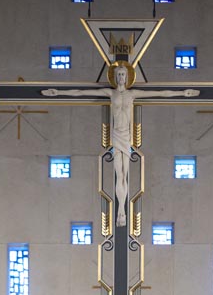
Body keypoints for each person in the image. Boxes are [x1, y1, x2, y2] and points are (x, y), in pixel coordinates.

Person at [42, 64, 200, 226]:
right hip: (116, 136)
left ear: (128, 77)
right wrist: (58, 92)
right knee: (120, 175)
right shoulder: (110, 93)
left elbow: (160, 93)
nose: (121, 78)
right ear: (115, 77)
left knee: (125, 173)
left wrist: (182, 93)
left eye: (124, 75)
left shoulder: (133, 94)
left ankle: (122, 211)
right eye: (119, 75)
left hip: (127, 137)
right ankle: (121, 211)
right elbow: (82, 92)